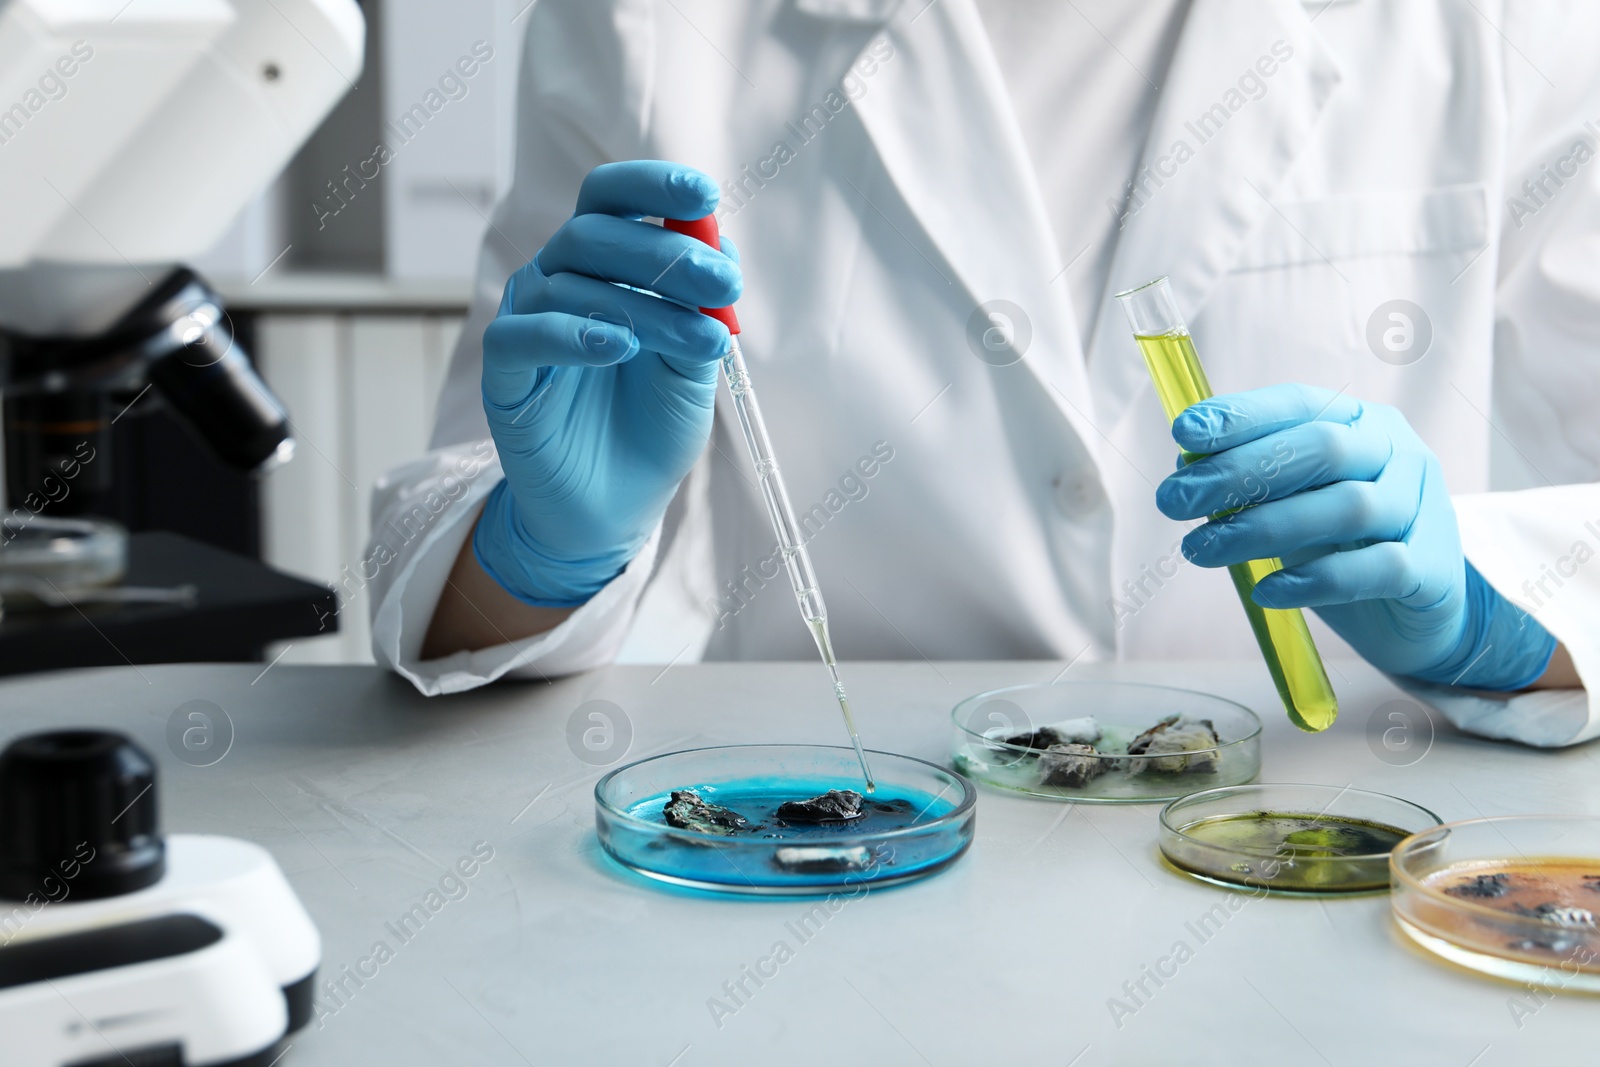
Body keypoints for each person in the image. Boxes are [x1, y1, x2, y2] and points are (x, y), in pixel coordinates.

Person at [367, 0, 1600, 747]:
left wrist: (1489, 622)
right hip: (858, 855)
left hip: (1327, 855)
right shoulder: (651, 26)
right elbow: (451, 582)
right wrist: (543, 545)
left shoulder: (1512, 22)